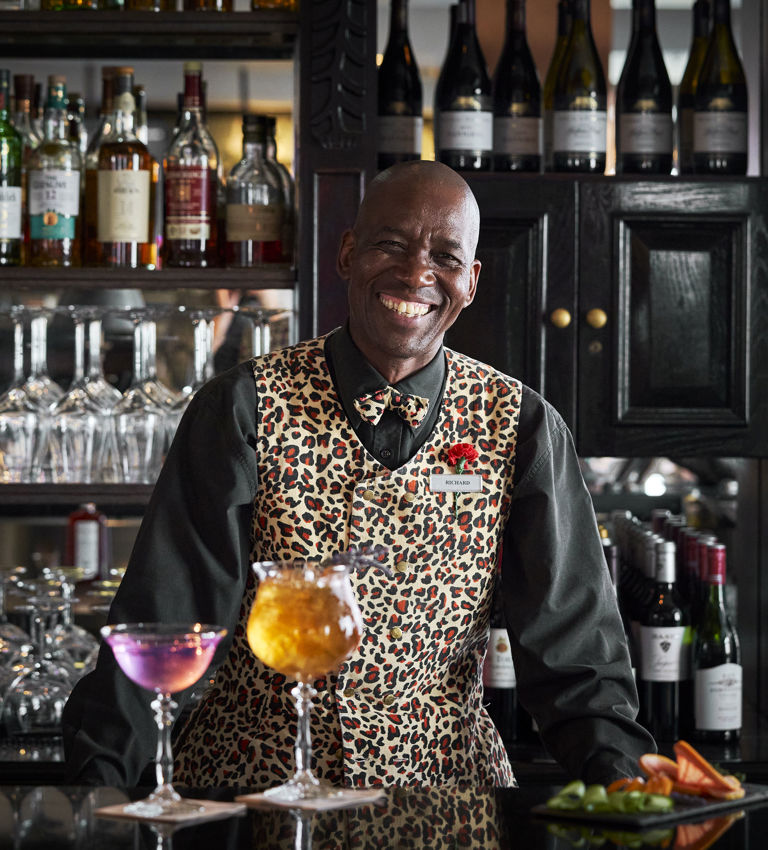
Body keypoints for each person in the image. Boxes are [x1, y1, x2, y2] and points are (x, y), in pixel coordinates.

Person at [63, 160, 655, 788]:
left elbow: (578, 659)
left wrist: (625, 787)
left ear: (472, 281)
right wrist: (95, 797)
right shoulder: (243, 408)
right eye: (390, 244)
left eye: (445, 257)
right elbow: (165, 623)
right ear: (348, 253)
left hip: (447, 802)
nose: (416, 272)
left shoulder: (522, 426)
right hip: (254, 791)